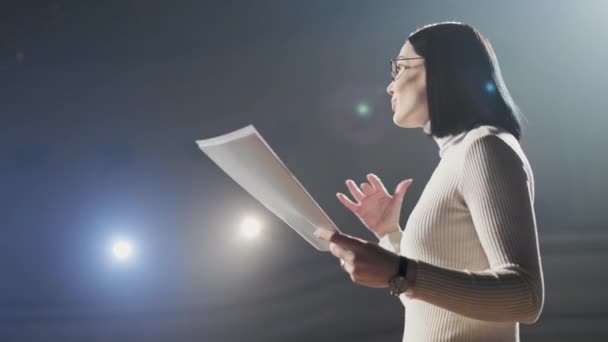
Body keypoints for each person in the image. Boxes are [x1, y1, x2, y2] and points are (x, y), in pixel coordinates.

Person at [314, 22, 544, 341]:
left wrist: (401, 273)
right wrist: (390, 234)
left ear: (440, 69)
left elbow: (525, 296)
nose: (390, 87)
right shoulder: (457, 156)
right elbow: (437, 305)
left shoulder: (484, 146)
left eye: (399, 68)